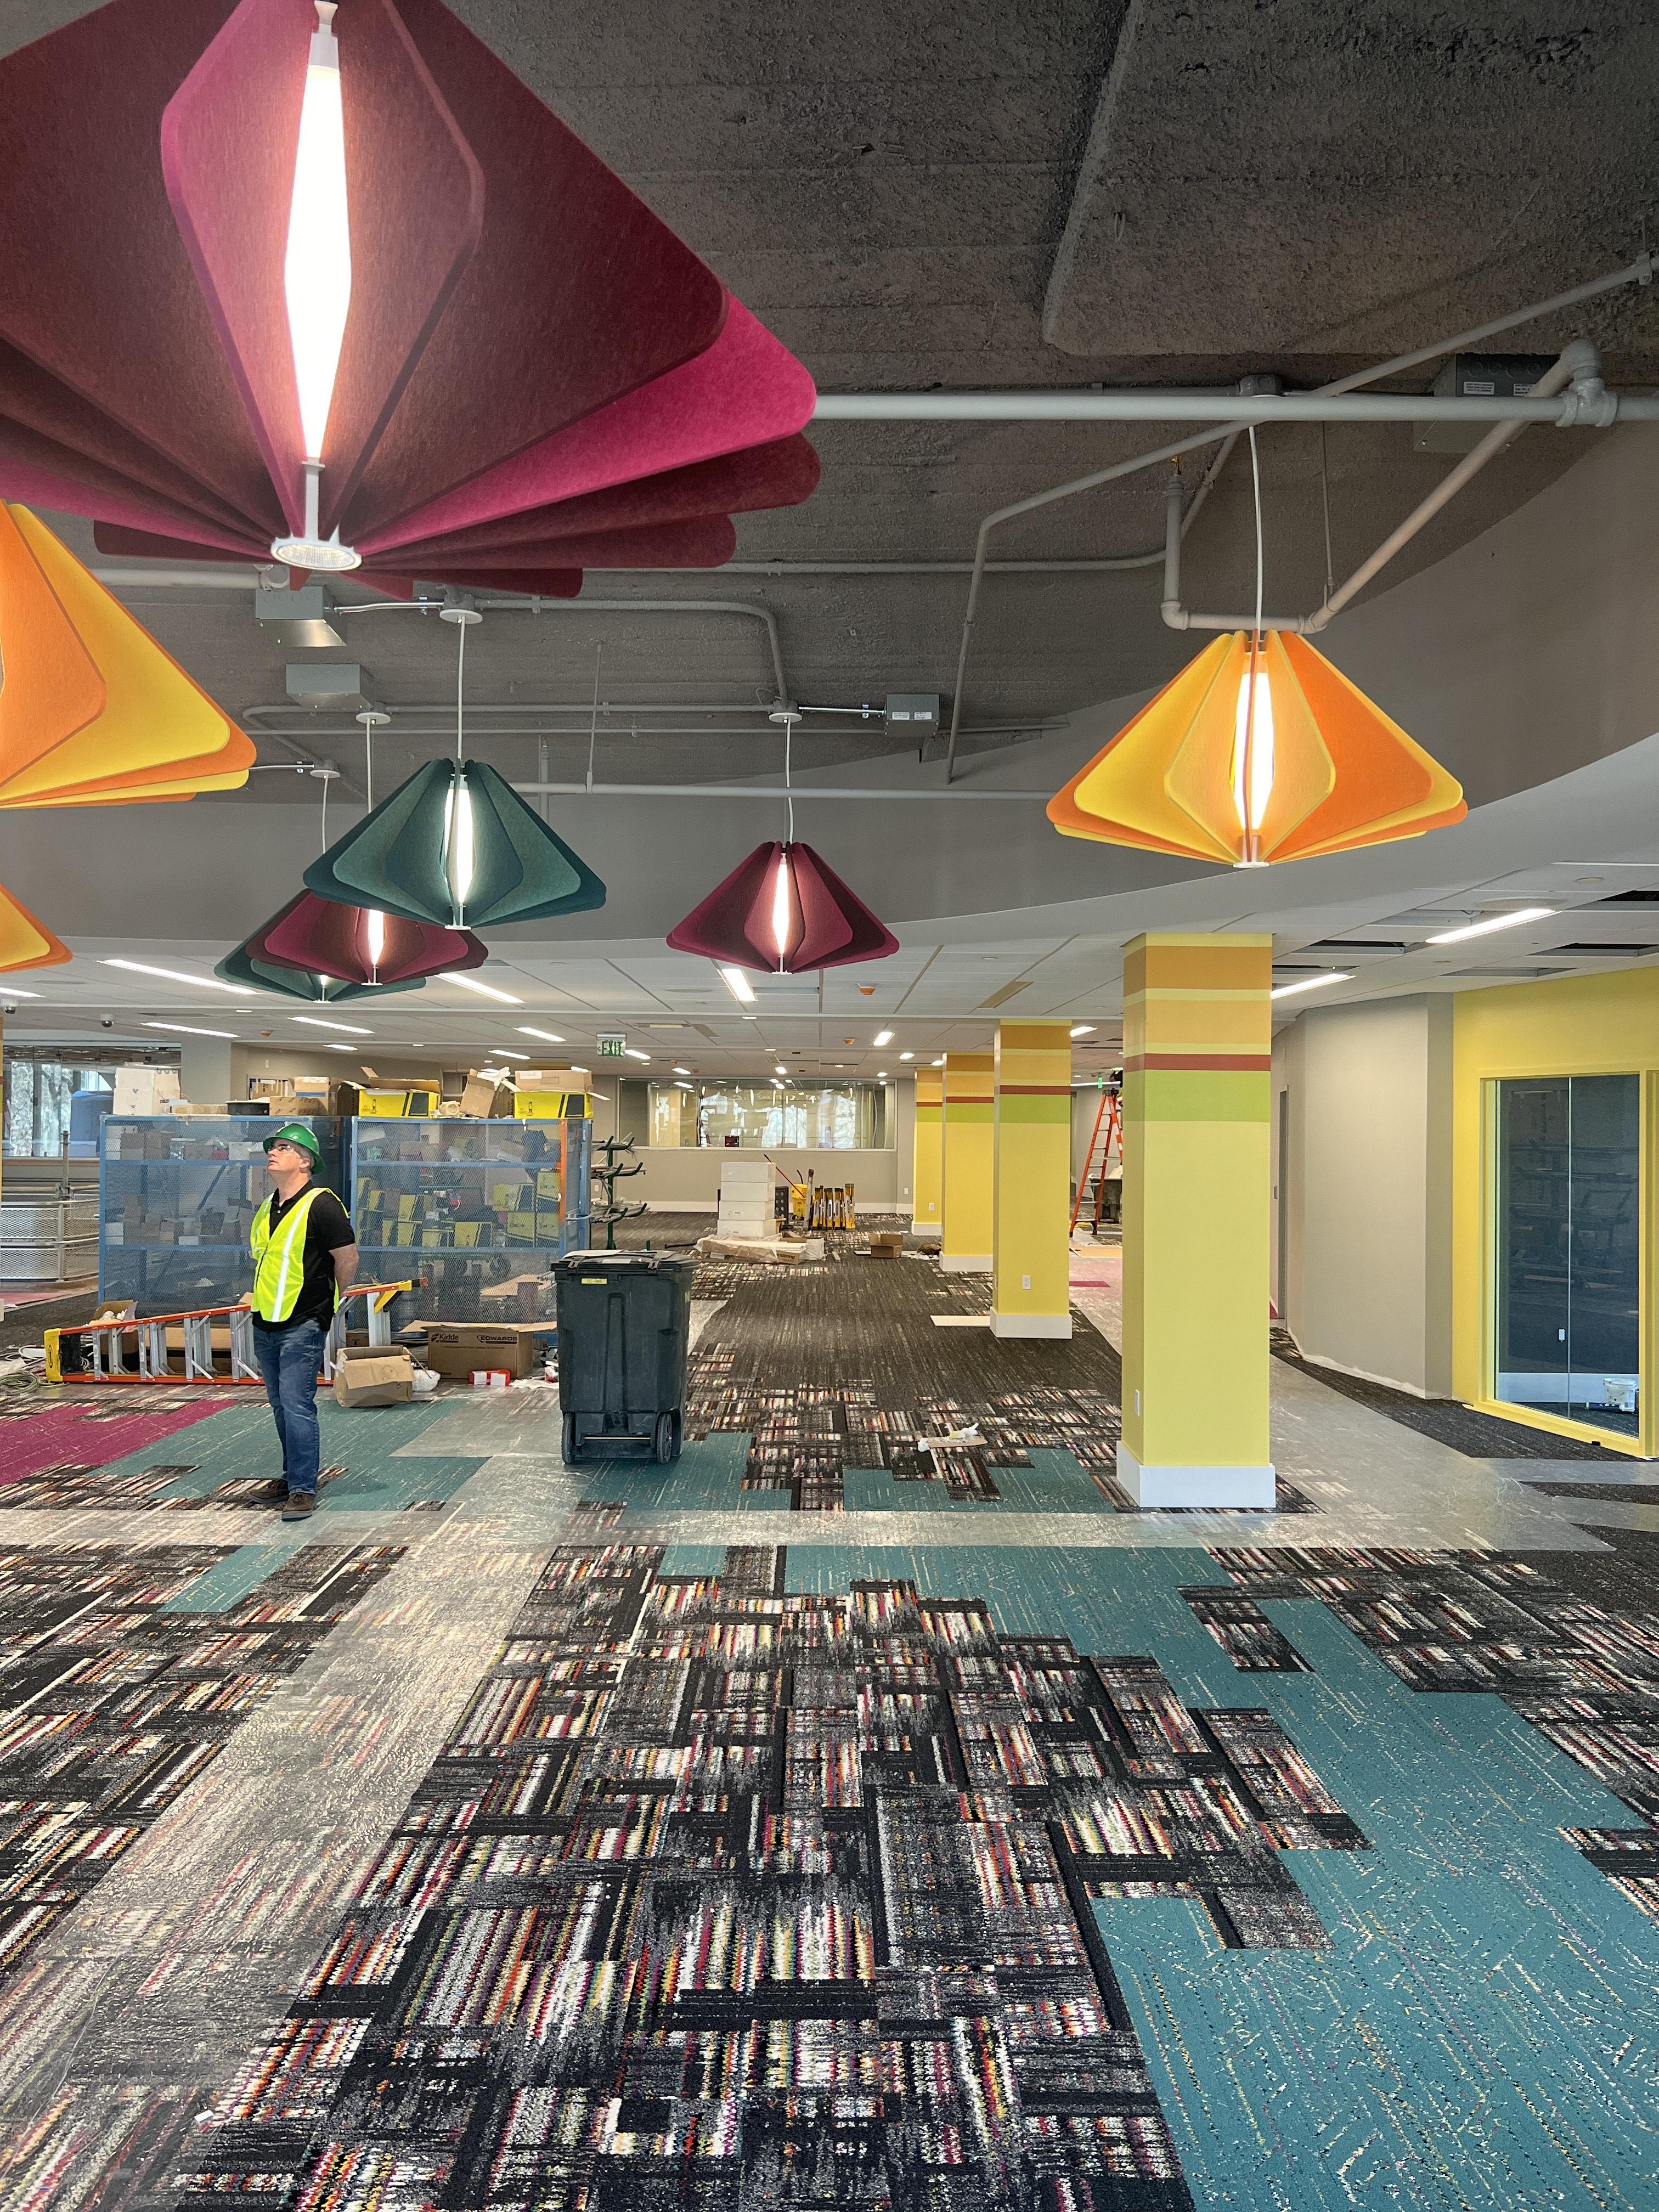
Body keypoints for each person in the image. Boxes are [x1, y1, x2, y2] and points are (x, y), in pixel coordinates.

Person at [249, 1122, 358, 1521]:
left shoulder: (323, 1205)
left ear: (305, 1160)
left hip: (303, 1322)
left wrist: (328, 1302)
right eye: (272, 1147)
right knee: (280, 1405)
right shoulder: (267, 1207)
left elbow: (347, 1260)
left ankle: (302, 1488)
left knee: (297, 1405)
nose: (273, 1153)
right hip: (265, 1321)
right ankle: (291, 1474)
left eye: (283, 1147)